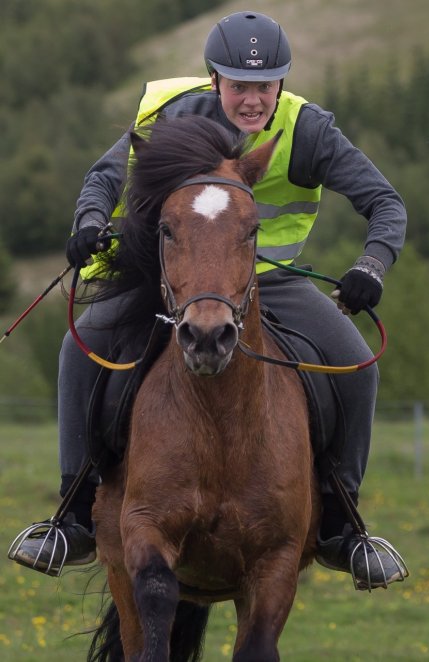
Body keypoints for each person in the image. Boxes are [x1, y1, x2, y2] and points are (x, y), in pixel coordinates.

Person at [10, 10, 408, 589]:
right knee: (82, 345)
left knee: (355, 367)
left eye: (265, 85)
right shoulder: (177, 117)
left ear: (283, 82)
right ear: (214, 80)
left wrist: (370, 267)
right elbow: (102, 178)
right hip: (176, 279)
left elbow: (386, 204)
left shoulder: (308, 131)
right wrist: (90, 221)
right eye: (239, 85)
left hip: (273, 281)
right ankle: (72, 518)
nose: (252, 99)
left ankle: (342, 528)